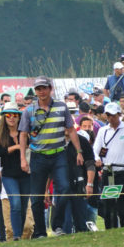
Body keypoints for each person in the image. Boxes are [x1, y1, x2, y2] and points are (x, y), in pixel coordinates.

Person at [19, 76, 84, 238]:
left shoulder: (62, 107)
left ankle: (57, 226)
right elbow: (23, 135)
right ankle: (40, 232)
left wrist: (79, 151)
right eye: (38, 89)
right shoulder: (28, 111)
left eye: (44, 88)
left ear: (50, 88)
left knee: (64, 189)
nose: (41, 91)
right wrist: (23, 158)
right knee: (36, 197)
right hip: (38, 156)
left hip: (58, 154)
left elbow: (71, 130)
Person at [0, 102, 30, 240]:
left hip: (25, 173)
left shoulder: (25, 133)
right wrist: (17, 147)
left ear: (19, 117)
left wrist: (21, 146)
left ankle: (19, 233)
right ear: (4, 117)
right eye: (8, 115)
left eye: (15, 115)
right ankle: (17, 235)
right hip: (9, 175)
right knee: (15, 203)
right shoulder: (0, 135)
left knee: (24, 204)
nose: (12, 118)